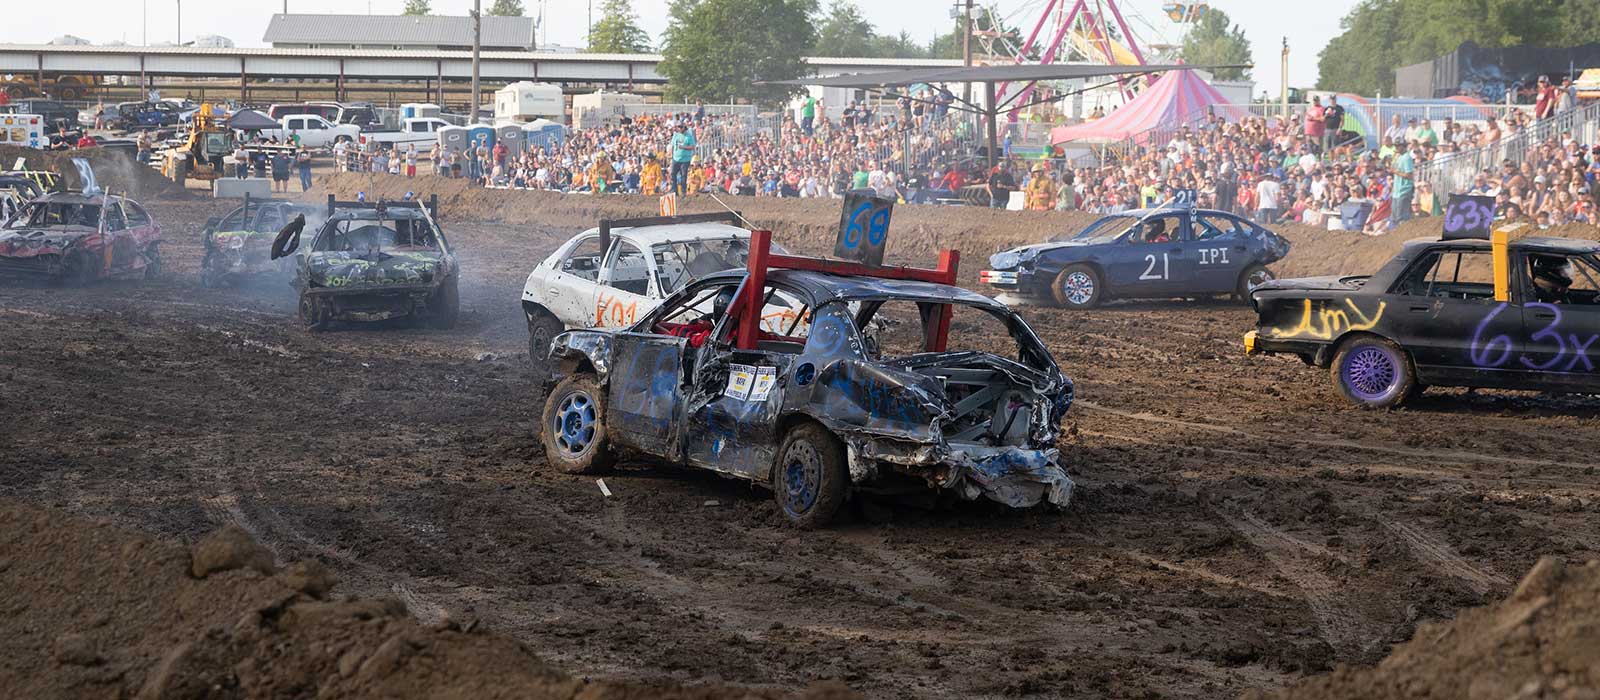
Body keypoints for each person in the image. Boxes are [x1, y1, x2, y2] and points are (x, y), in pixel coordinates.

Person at [1391, 141, 1415, 225]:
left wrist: (1396, 172)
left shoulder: (1407, 158)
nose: (1396, 147)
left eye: (1398, 145)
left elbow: (1409, 175)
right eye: (1395, 146)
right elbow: (1392, 168)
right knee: (1395, 218)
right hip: (1396, 191)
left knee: (1402, 218)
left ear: (1403, 146)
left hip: (1404, 190)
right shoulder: (1399, 157)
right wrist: (1394, 157)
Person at [669, 123, 696, 196]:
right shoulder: (676, 135)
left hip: (685, 160)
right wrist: (671, 156)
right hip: (675, 158)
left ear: (684, 127)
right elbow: (672, 146)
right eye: (679, 127)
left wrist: (684, 147)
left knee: (683, 176)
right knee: (673, 174)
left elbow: (692, 147)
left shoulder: (689, 136)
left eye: (681, 127)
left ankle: (683, 191)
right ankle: (674, 190)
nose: (680, 129)